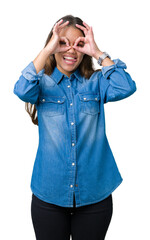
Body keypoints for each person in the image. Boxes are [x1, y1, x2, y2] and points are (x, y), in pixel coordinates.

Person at [13, 14, 137, 240]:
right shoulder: (41, 83)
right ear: (53, 45)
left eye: (79, 44)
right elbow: (21, 89)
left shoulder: (96, 82)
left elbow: (126, 86)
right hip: (49, 196)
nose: (71, 50)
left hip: (94, 196)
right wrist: (47, 51)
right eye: (63, 43)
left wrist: (98, 52)